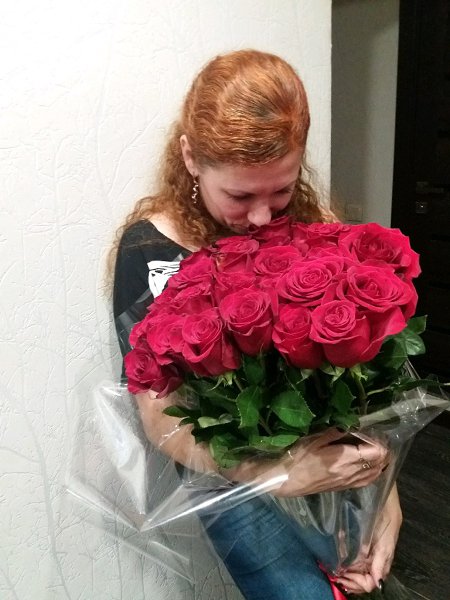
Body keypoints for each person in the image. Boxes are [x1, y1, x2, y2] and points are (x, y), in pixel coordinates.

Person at [112, 49, 402, 599]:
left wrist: (385, 496)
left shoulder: (314, 226)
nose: (264, 216)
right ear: (191, 158)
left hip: (336, 464)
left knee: (365, 580)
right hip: (230, 478)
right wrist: (275, 472)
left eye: (282, 190)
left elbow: (365, 385)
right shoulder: (150, 251)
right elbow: (160, 416)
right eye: (240, 195)